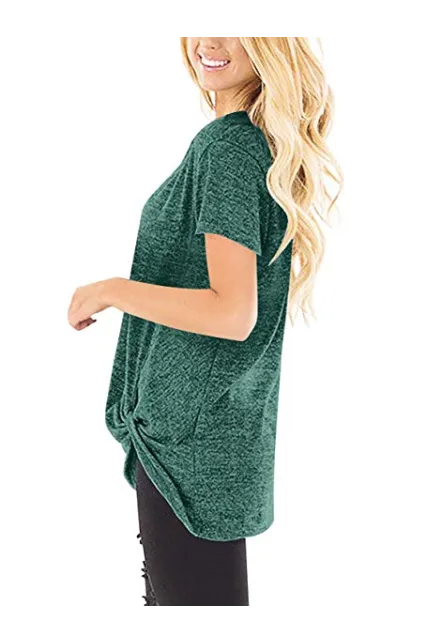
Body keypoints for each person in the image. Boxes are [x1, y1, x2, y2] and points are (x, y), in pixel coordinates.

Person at [67, 34, 343, 608]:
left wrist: (111, 290)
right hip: (204, 441)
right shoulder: (249, 145)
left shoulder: (228, 149)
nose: (210, 40)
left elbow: (232, 312)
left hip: (187, 448)